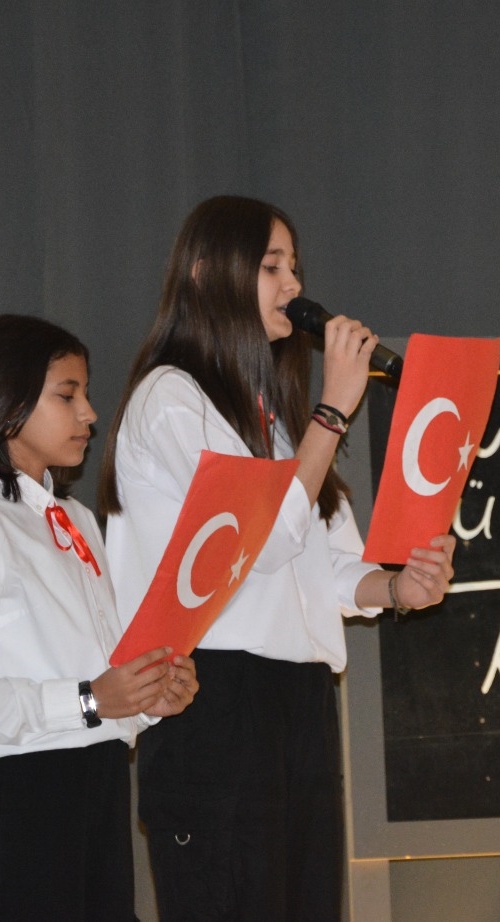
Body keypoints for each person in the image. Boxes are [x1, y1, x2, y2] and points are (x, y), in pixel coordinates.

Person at [99, 194, 455, 921]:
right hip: (214, 694)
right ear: (206, 273)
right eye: (272, 267)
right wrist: (333, 411)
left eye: (295, 267)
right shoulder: (172, 398)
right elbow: (255, 544)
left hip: (298, 701)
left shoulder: (273, 415)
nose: (294, 285)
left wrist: (398, 588)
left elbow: (328, 564)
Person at [0, 314, 200, 922]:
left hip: (97, 782)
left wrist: (149, 697)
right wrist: (90, 700)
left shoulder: (77, 520)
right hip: (19, 794)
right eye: (67, 395)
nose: (89, 413)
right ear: (6, 408)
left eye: (85, 394)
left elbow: (96, 676)